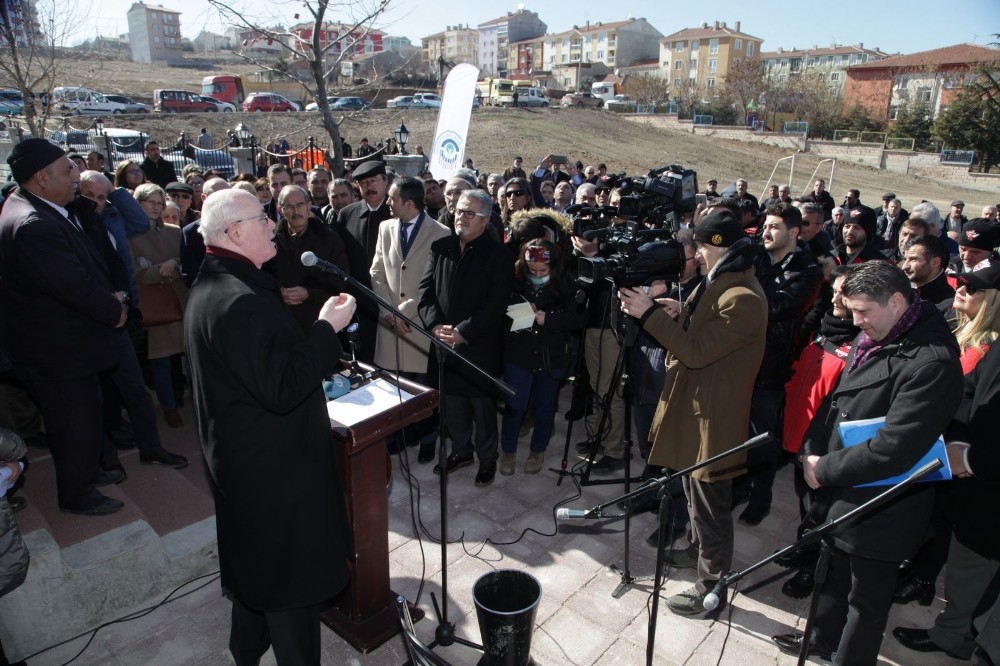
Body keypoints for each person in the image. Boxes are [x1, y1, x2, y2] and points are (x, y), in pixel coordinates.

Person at [185, 188, 356, 665]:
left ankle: (245, 650)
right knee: (289, 584)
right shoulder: (235, 300)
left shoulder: (220, 284)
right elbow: (281, 387)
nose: (272, 224)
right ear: (235, 232)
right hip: (273, 474)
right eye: (263, 218)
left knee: (255, 567)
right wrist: (326, 328)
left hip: (248, 461)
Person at [772, 261, 963, 664]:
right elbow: (837, 401)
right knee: (832, 579)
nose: (856, 323)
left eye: (863, 311)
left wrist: (821, 470)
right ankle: (820, 643)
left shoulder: (933, 361)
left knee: (865, 602)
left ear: (896, 301)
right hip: (843, 490)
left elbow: (896, 448)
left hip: (883, 505)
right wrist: (811, 446)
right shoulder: (878, 332)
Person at [619, 210, 767, 615]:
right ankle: (696, 551)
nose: (696, 255)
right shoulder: (723, 283)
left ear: (717, 246)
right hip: (697, 407)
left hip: (713, 420)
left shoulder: (743, 297)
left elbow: (699, 352)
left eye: (700, 247)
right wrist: (678, 314)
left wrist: (648, 315)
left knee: (711, 506)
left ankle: (711, 585)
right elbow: (707, 332)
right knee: (691, 491)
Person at [0, 140, 127, 516]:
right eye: (68, 170)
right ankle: (77, 494)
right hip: (58, 351)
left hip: (59, 347)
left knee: (79, 420)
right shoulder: (34, 224)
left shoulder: (32, 206)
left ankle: (83, 476)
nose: (76, 176)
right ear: (42, 177)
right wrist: (113, 309)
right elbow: (71, 284)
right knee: (75, 425)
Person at [891, 263, 1000, 664]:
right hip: (960, 468)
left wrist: (967, 456)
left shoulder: (993, 345)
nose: (962, 290)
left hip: (984, 483)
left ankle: (954, 635)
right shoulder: (969, 333)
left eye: (973, 288)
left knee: (973, 568)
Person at [418, 189, 512, 487]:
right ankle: (461, 451)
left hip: (478, 346)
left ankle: (487, 459)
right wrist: (434, 326)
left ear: (485, 220)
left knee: (482, 409)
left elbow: (496, 305)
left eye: (470, 213)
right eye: (459, 211)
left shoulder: (498, 255)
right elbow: (425, 292)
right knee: (452, 404)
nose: (461, 217)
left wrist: (462, 332)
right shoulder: (440, 247)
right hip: (444, 343)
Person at [370, 177, 451, 461]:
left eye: (392, 198)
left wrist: (406, 310)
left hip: (419, 325)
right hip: (390, 322)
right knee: (395, 387)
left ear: (409, 203)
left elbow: (436, 283)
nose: (388, 202)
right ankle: (400, 437)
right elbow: (376, 273)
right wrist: (388, 312)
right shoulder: (385, 227)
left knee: (425, 390)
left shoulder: (440, 233)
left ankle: (428, 437)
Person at [499, 236, 585, 475]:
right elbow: (498, 308)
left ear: (553, 266)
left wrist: (550, 319)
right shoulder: (515, 278)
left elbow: (580, 318)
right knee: (515, 405)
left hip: (551, 355)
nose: (536, 274)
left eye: (542, 270)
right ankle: (508, 450)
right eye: (532, 269)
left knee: (544, 406)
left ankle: (538, 449)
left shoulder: (566, 282)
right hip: (519, 354)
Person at [130, 183, 188, 428]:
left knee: (187, 355)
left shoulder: (176, 231)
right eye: (149, 202)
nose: (155, 207)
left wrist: (173, 262)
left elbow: (187, 260)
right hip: (155, 305)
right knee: (161, 359)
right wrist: (156, 271)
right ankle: (169, 407)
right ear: (138, 203)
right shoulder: (130, 236)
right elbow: (133, 271)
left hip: (181, 299)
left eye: (158, 202)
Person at [265, 185, 349, 333]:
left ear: (309, 205)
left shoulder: (329, 239)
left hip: (317, 321)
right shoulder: (269, 239)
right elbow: (262, 275)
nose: (296, 212)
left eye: (300, 205)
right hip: (280, 321)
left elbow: (339, 281)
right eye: (289, 207)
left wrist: (309, 293)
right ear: (280, 210)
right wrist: (278, 291)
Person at [336, 160, 392, 364]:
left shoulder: (397, 212)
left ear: (385, 182)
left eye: (374, 180)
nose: (369, 187)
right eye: (363, 183)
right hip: (358, 303)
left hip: (390, 302)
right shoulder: (347, 214)